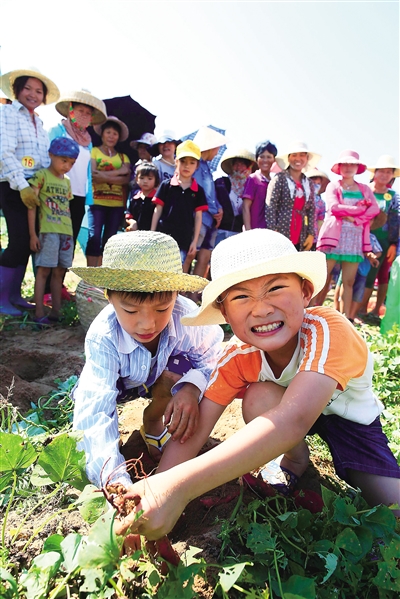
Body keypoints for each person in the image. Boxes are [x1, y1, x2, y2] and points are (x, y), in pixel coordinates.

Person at [115, 229, 400, 541]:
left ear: (305, 291)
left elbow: (293, 419)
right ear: (224, 311)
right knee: (258, 397)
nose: (261, 309)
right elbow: (197, 428)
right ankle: (294, 459)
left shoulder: (328, 331)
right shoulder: (238, 355)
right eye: (241, 297)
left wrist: (180, 488)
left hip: (350, 422)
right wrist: (156, 488)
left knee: (392, 508)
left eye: (275, 289)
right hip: (285, 409)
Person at [71, 230, 223, 487]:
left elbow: (215, 358)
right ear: (109, 296)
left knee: (183, 370)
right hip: (121, 385)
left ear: (177, 295)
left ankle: (153, 421)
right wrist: (114, 480)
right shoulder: (103, 336)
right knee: (93, 419)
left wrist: (191, 387)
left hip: (164, 377)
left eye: (162, 308)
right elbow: (96, 410)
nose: (148, 324)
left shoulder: (187, 318)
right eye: (130, 310)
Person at [0, 67, 60, 316]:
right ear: (17, 90)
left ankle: (14, 295)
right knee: (17, 241)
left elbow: (43, 159)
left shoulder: (40, 122)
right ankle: (2, 298)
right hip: (13, 184)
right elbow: (4, 151)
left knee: (28, 243)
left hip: (35, 188)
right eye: (27, 89)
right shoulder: (7, 112)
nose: (33, 94)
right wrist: (22, 186)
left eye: (38, 91)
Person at [317, 150, 380, 320]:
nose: (348, 167)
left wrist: (356, 219)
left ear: (357, 168)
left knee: (349, 282)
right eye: (345, 164)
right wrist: (360, 210)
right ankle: (311, 312)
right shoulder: (333, 186)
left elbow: (374, 209)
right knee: (322, 278)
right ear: (339, 167)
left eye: (352, 164)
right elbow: (334, 207)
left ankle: (345, 319)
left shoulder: (365, 188)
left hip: (355, 239)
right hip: (333, 237)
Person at [27, 138, 79, 325]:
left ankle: (56, 311)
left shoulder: (67, 182)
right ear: (51, 155)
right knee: (43, 271)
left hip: (66, 232)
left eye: (71, 163)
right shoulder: (41, 176)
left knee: (60, 272)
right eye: (64, 161)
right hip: (48, 231)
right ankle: (39, 311)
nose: (67, 166)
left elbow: (66, 207)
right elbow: (32, 206)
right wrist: (33, 234)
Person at [49, 90, 107, 245]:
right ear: (71, 110)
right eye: (80, 110)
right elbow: (46, 161)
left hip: (78, 195)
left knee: (70, 242)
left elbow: (87, 171)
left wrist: (88, 196)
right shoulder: (57, 131)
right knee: (52, 240)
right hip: (56, 192)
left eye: (88, 113)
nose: (84, 115)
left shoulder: (88, 141)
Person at [151, 140, 208, 264]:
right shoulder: (166, 185)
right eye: (183, 161)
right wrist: (152, 233)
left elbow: (198, 217)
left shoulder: (198, 191)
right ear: (176, 162)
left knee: (177, 269)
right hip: (162, 236)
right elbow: (158, 210)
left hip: (184, 239)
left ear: (197, 165)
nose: (187, 166)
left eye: (192, 162)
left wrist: (194, 242)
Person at [358, 155, 400, 324]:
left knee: (371, 275)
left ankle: (363, 310)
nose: (384, 175)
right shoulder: (363, 190)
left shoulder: (394, 196)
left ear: (392, 175)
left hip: (382, 243)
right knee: (352, 273)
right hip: (358, 238)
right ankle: (346, 309)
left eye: (389, 172)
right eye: (381, 171)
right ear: (374, 172)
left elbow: (395, 221)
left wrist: (393, 244)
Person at [86, 116, 131, 266]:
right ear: (102, 134)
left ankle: (102, 272)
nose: (111, 136)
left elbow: (126, 179)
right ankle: (90, 273)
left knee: (110, 240)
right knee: (94, 237)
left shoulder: (123, 157)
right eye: (108, 132)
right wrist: (118, 172)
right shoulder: (94, 151)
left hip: (116, 205)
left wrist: (104, 176)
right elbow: (93, 175)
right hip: (96, 202)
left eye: (115, 133)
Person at [185, 126, 226, 278]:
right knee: (189, 254)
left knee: (202, 255)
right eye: (217, 149)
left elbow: (211, 193)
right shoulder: (196, 165)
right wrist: (215, 211)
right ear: (211, 147)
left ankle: (193, 290)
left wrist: (219, 208)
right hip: (198, 217)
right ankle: (180, 289)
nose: (217, 153)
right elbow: (201, 191)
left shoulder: (207, 168)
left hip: (208, 219)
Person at [266, 141, 320, 251]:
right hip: (281, 229)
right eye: (294, 155)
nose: (298, 159)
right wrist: (273, 231)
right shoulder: (279, 179)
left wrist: (311, 233)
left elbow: (311, 209)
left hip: (301, 231)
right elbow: (271, 206)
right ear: (289, 158)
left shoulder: (308, 183)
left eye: (302, 155)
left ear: (307, 158)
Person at [214, 148, 257, 245]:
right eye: (236, 164)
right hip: (219, 231)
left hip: (238, 234)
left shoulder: (251, 187)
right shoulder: (221, 183)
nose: (239, 167)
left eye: (242, 164)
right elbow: (212, 199)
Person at [242, 140, 278, 230]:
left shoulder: (275, 182)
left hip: (271, 231)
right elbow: (246, 207)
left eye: (269, 157)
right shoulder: (253, 178)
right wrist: (248, 231)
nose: (265, 160)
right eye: (262, 157)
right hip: (255, 231)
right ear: (257, 159)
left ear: (274, 160)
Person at [125, 161, 160, 232]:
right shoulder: (135, 199)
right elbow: (128, 215)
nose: (145, 181)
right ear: (136, 179)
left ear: (156, 180)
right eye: (142, 178)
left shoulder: (157, 199)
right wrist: (133, 223)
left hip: (154, 234)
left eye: (149, 178)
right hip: (137, 235)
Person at [304, 167, 330, 238]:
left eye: (318, 183)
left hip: (313, 236)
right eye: (313, 183)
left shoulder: (321, 203)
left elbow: (320, 221)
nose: (315, 185)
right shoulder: (298, 197)